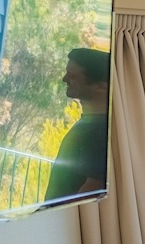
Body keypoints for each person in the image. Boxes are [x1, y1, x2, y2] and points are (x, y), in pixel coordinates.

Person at [45, 46, 110, 201]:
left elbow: (91, 191)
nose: (64, 79)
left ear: (101, 86)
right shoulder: (88, 123)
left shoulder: (100, 132)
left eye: (72, 76)